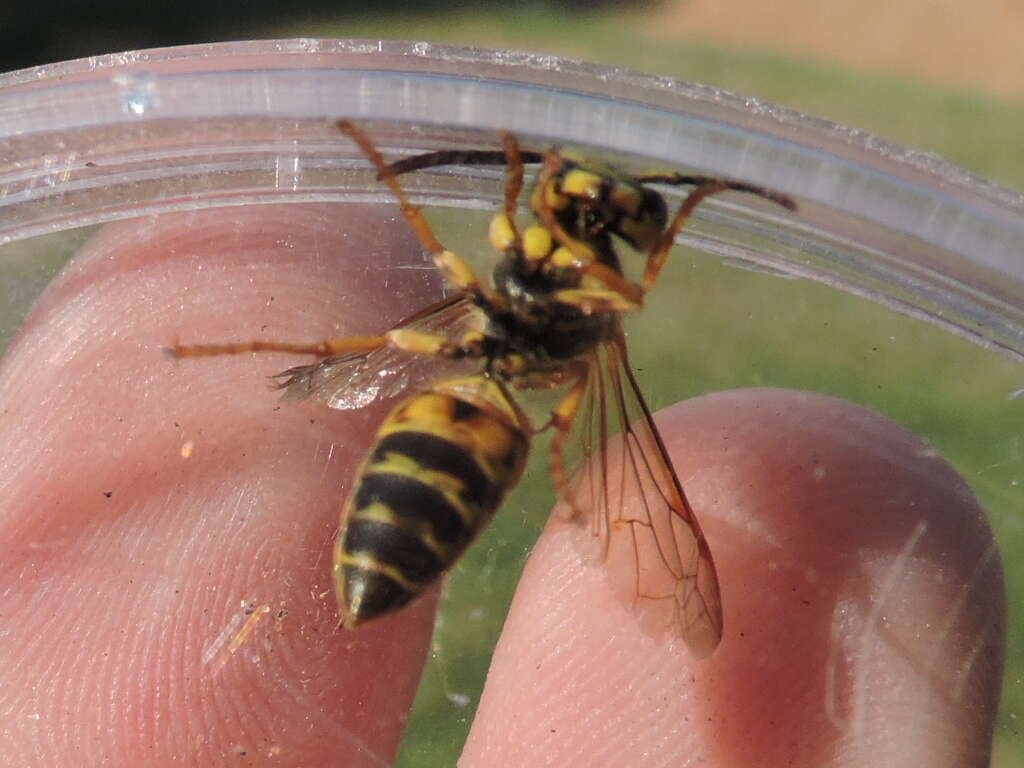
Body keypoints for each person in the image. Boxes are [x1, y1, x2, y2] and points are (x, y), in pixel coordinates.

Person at [0, 204, 1004, 767]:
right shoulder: (558, 298)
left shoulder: (575, 303)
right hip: (466, 436)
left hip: (454, 435)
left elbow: (478, 253)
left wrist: (402, 181)